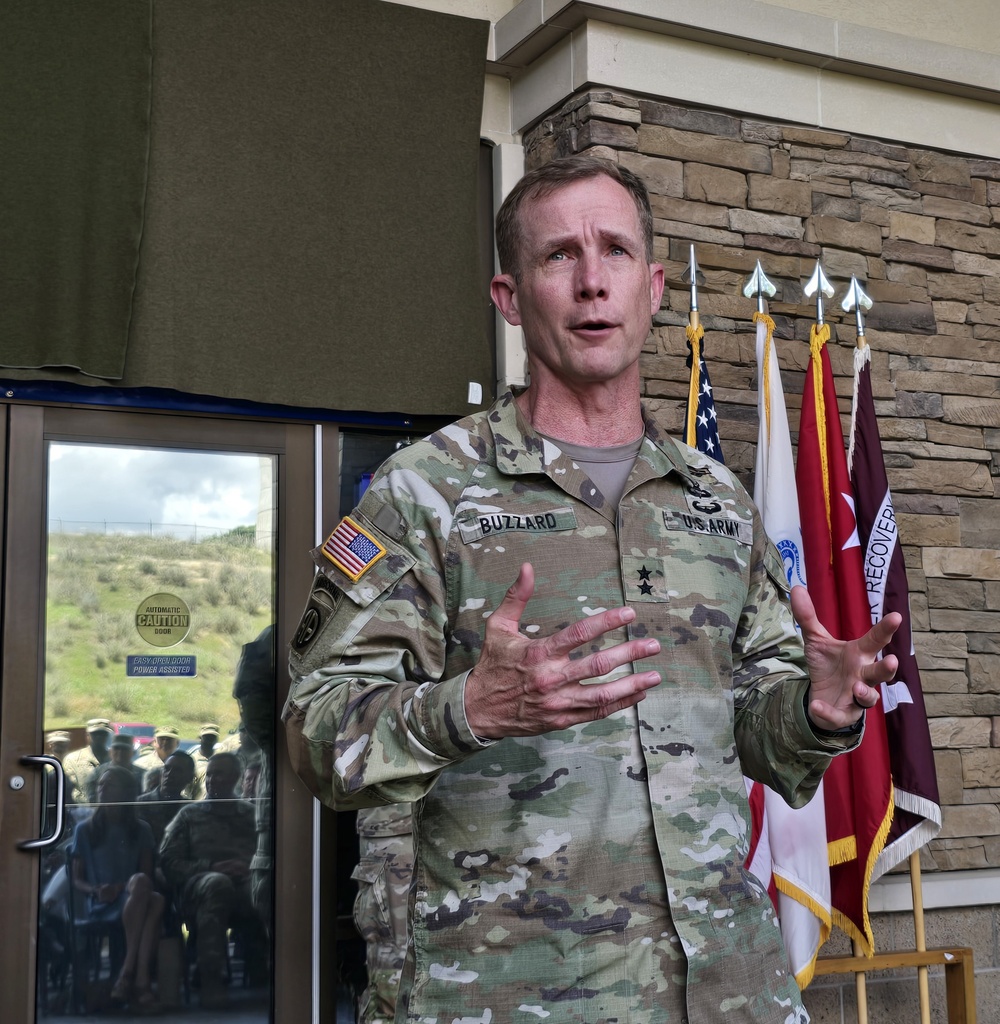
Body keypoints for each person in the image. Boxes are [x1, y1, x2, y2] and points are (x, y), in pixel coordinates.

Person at [283, 154, 900, 1023]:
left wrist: (816, 711)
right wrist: (468, 710)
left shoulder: (715, 500)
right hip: (510, 992)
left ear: (651, 288)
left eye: (613, 251)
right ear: (508, 296)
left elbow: (756, 727)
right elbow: (315, 733)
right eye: (558, 256)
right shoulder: (422, 492)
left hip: (729, 988)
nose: (590, 283)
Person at [159, 751, 267, 1008]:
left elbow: (273, 855)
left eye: (218, 774)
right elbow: (169, 862)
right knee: (217, 883)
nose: (211, 780)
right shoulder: (189, 816)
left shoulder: (251, 814)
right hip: (198, 889)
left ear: (235, 778)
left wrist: (250, 868)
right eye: (208, 774)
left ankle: (270, 968)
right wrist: (211, 866)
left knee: (267, 887)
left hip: (245, 883)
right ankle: (211, 979)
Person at [69, 765, 164, 1011]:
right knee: (155, 902)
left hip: (132, 895)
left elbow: (146, 874)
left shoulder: (141, 829)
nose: (102, 788)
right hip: (102, 902)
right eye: (100, 784)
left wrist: (121, 886)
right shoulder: (85, 829)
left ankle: (127, 974)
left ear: (125, 792)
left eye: (109, 784)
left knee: (144, 887)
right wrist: (96, 890)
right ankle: (140, 982)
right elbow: (76, 879)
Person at [137, 750, 196, 849]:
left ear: (189, 777)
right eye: (166, 769)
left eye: (177, 770)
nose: (169, 774)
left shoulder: (191, 810)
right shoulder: (140, 804)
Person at [62, 718, 113, 804]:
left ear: (107, 735)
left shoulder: (115, 759)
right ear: (87, 735)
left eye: (103, 734)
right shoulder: (73, 759)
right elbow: (68, 790)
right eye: (95, 734)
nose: (99, 737)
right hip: (81, 812)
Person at [189, 723, 220, 800]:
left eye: (212, 737)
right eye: (206, 737)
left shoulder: (222, 759)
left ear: (216, 740)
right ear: (200, 739)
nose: (209, 740)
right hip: (198, 806)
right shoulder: (191, 760)